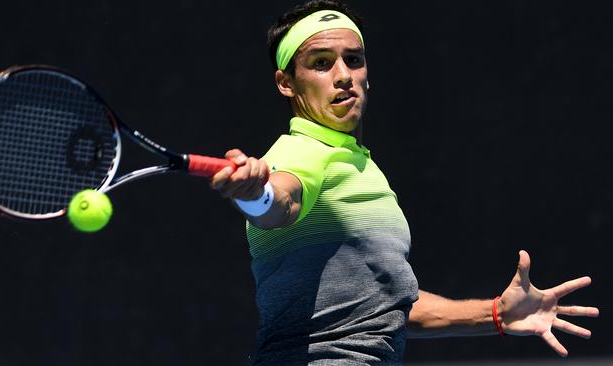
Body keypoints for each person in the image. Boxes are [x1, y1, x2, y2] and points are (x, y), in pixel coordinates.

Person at [209, 1, 599, 364]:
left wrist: (495, 312)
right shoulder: (302, 152)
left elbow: (385, 308)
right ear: (287, 83)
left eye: (354, 60)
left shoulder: (358, 167)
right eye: (322, 63)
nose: (343, 76)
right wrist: (255, 194)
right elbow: (282, 202)